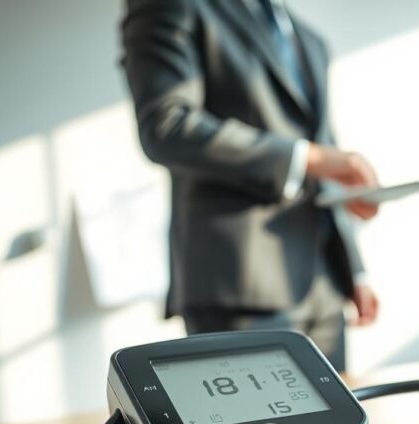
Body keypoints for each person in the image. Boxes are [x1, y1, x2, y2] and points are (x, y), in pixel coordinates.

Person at [121, 0, 380, 371]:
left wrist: (354, 269)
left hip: (324, 287)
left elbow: (323, 153)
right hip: (238, 283)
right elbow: (167, 125)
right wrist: (310, 159)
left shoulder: (308, 39)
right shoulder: (173, 6)